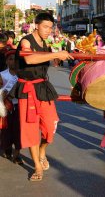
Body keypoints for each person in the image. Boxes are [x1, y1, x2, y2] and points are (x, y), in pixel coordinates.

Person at [10, 12, 73, 181]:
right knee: (31, 129)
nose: (48, 31)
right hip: (28, 89)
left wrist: (57, 57)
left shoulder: (45, 43)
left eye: (50, 28)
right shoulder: (26, 40)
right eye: (45, 27)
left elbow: (47, 60)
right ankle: (37, 167)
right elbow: (29, 60)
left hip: (43, 87)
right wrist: (55, 55)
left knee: (51, 127)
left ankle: (42, 150)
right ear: (36, 25)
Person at [0, 50, 22, 164]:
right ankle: (7, 148)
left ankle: (17, 154)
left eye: (15, 59)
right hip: (6, 106)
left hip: (20, 106)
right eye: (10, 59)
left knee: (19, 130)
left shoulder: (23, 75)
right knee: (6, 129)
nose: (13, 62)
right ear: (6, 61)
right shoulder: (2, 74)